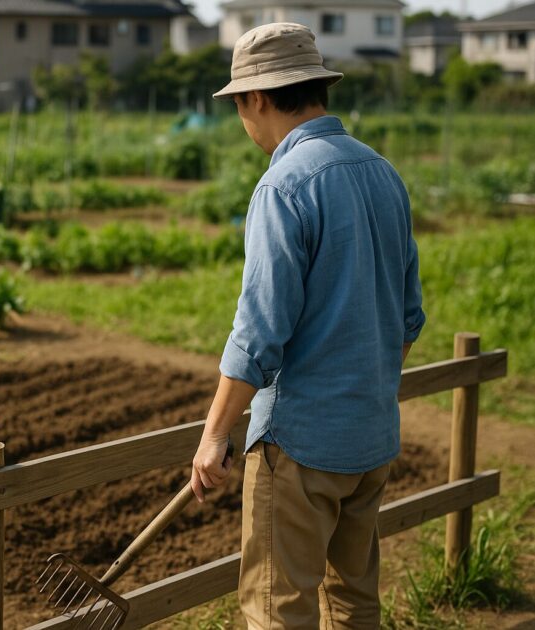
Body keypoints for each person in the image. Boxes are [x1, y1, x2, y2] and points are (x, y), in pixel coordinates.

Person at [189, 23, 426, 629]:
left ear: (259, 98)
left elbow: (258, 330)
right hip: (369, 439)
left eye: (239, 102)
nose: (242, 117)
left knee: (278, 609)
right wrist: (365, 392)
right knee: (353, 601)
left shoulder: (284, 184)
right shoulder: (383, 173)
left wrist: (215, 434)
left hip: (300, 446)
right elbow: (407, 317)